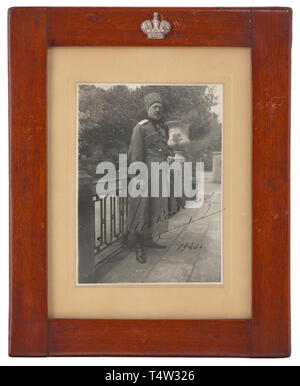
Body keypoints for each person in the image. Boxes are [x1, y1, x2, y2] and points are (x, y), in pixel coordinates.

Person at [126, 92, 173, 263]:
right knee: (142, 208)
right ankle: (138, 245)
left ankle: (148, 239)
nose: (158, 109)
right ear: (147, 109)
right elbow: (135, 153)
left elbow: (165, 150)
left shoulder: (160, 129)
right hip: (145, 174)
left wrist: (169, 155)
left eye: (160, 107)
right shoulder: (141, 127)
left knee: (156, 207)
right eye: (155, 107)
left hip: (159, 174)